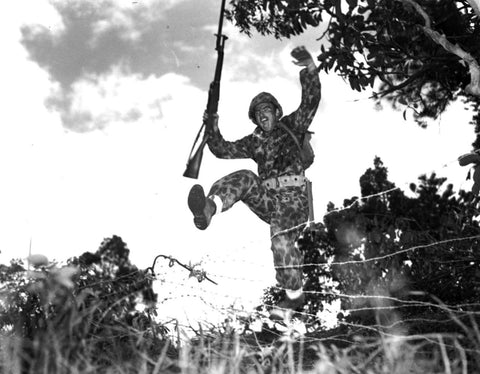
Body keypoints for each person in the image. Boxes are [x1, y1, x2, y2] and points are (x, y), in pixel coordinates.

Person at [187, 46, 321, 320]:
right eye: (257, 112)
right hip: (268, 200)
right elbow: (221, 149)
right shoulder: (255, 141)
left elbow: (311, 101)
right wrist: (211, 122)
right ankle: (207, 211)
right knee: (246, 177)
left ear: (275, 111)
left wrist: (308, 69)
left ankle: (294, 296)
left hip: (294, 199)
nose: (262, 115)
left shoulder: (292, 125)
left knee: (280, 237)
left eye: (266, 110)